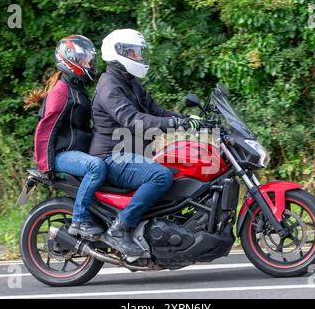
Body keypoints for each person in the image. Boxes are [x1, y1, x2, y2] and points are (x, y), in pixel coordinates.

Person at [89, 29, 202, 257]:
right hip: (112, 157)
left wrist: (186, 120)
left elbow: (156, 111)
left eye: (139, 53)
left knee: (178, 170)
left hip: (131, 154)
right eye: (134, 52)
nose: (139, 57)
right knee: (160, 176)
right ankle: (120, 228)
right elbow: (132, 120)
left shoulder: (130, 83)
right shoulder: (110, 86)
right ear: (118, 53)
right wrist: (177, 126)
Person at [26, 35, 107, 241]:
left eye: (89, 60)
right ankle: (79, 220)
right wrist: (45, 165)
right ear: (70, 60)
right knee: (95, 167)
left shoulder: (76, 88)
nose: (89, 64)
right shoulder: (62, 91)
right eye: (84, 60)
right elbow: (45, 129)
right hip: (62, 155)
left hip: (76, 151)